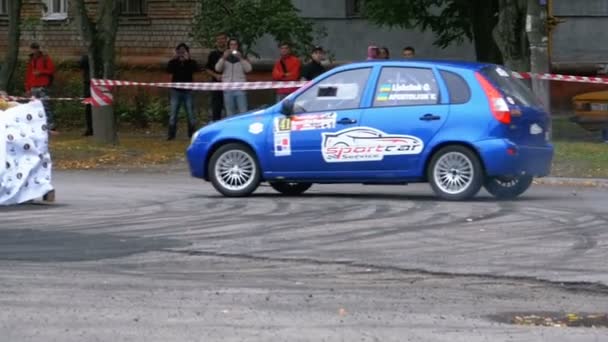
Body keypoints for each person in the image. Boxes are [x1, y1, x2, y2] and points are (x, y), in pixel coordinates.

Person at [166, 42, 199, 140]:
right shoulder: (173, 62)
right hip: (176, 91)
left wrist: (188, 60)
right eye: (179, 51)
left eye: (183, 52)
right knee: (173, 113)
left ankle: (191, 134)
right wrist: (174, 58)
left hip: (188, 91)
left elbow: (196, 69)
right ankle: (171, 135)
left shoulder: (191, 62)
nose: (181, 53)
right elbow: (168, 70)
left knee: (190, 114)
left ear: (187, 52)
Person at [215, 38, 252, 116]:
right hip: (228, 89)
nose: (233, 46)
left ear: (238, 46)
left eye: (235, 44)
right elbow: (217, 68)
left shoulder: (243, 56)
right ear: (228, 46)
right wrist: (223, 58)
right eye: (231, 44)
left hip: (240, 89)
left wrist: (241, 58)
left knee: (243, 112)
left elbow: (248, 69)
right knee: (230, 113)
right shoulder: (225, 57)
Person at [25, 42, 55, 131]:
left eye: (36, 48)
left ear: (38, 49)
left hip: (43, 86)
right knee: (34, 107)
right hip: (33, 86)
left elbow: (51, 70)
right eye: (33, 49)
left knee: (46, 106)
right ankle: (38, 125)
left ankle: (50, 125)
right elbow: (28, 75)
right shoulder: (30, 60)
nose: (34, 50)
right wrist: (27, 88)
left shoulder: (45, 58)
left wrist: (41, 71)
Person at [205, 32, 227, 122]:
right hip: (216, 85)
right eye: (219, 39)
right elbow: (207, 69)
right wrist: (216, 75)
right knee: (216, 108)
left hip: (229, 85)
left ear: (226, 40)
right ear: (216, 41)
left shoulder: (231, 53)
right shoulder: (213, 54)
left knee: (229, 109)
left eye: (223, 39)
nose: (221, 41)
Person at [79, 54, 93, 136]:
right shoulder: (87, 56)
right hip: (87, 84)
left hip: (97, 84)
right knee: (88, 106)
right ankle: (89, 128)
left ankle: (93, 128)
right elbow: (81, 64)